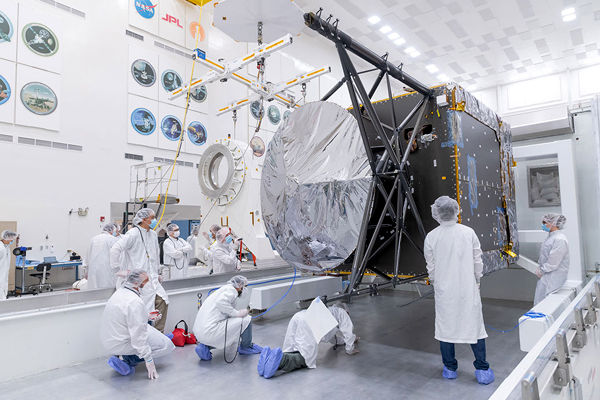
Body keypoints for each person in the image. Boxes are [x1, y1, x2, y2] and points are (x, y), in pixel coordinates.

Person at [423, 196, 494, 385]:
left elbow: (431, 268)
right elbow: (477, 260)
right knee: (475, 326)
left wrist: (436, 282)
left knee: (446, 329)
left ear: (437, 212)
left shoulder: (432, 236)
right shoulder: (468, 232)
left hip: (444, 290)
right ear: (455, 211)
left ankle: (450, 368)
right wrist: (477, 279)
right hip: (468, 287)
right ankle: (482, 369)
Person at [100, 269, 175, 379]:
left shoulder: (121, 292)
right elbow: (139, 337)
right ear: (136, 283)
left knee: (153, 334)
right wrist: (149, 361)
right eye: (147, 281)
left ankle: (126, 354)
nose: (149, 283)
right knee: (166, 345)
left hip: (111, 339)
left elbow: (127, 318)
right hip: (122, 342)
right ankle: (126, 359)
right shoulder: (134, 302)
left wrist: (146, 316)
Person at [258, 302, 359, 379]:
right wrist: (350, 349)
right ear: (346, 311)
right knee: (306, 357)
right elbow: (348, 331)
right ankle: (280, 362)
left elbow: (333, 339)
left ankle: (269, 357)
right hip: (309, 321)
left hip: (299, 316)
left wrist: (348, 341)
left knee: (293, 347)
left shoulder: (329, 312)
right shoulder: (342, 313)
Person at [110, 208, 169, 333]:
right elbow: (115, 249)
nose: (154, 220)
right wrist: (117, 270)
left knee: (162, 301)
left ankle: (158, 335)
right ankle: (144, 339)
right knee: (142, 312)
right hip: (138, 281)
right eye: (152, 218)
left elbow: (155, 256)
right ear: (143, 220)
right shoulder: (133, 234)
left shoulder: (153, 234)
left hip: (151, 278)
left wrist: (157, 273)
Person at [193, 275, 262, 361]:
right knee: (246, 320)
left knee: (231, 333)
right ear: (240, 285)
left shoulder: (224, 289)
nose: (245, 289)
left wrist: (236, 314)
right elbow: (221, 302)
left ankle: (205, 346)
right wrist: (237, 313)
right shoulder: (231, 290)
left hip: (200, 332)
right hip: (210, 330)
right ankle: (246, 347)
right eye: (245, 287)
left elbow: (224, 311)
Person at [534, 213, 570, 305]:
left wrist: (541, 271)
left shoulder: (559, 239)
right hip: (547, 275)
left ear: (553, 223)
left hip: (553, 277)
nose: (543, 225)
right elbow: (544, 255)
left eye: (544, 222)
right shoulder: (551, 237)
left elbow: (553, 263)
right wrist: (540, 267)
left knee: (547, 303)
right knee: (541, 301)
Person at [83, 223, 120, 290]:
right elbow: (117, 256)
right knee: (106, 289)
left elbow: (88, 255)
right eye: (116, 231)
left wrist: (86, 270)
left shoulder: (93, 239)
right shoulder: (113, 239)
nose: (116, 233)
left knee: (94, 289)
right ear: (112, 231)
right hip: (106, 270)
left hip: (93, 270)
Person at [0, 230, 18, 300]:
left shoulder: (6, 247)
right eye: (11, 239)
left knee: (3, 287)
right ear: (7, 238)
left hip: (4, 271)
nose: (12, 240)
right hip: (1, 271)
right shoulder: (1, 248)